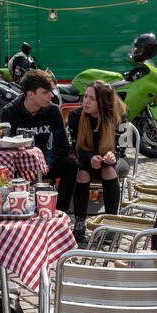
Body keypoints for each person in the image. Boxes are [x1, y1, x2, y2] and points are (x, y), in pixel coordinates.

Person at [0, 69, 77, 213]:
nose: (51, 96)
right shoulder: (9, 112)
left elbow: (62, 145)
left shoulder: (53, 111)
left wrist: (46, 161)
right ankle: (12, 210)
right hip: (18, 167)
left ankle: (60, 211)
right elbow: (4, 147)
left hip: (44, 163)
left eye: (51, 91)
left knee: (71, 165)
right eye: (45, 92)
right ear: (30, 94)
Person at [66, 80, 128, 241]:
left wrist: (111, 158)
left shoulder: (119, 115)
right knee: (82, 174)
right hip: (88, 160)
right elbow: (77, 149)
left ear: (103, 102)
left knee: (108, 170)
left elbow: (122, 149)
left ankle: (111, 224)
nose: (86, 101)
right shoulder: (75, 116)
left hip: (116, 161)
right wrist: (91, 158)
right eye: (85, 96)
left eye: (91, 98)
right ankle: (79, 223)